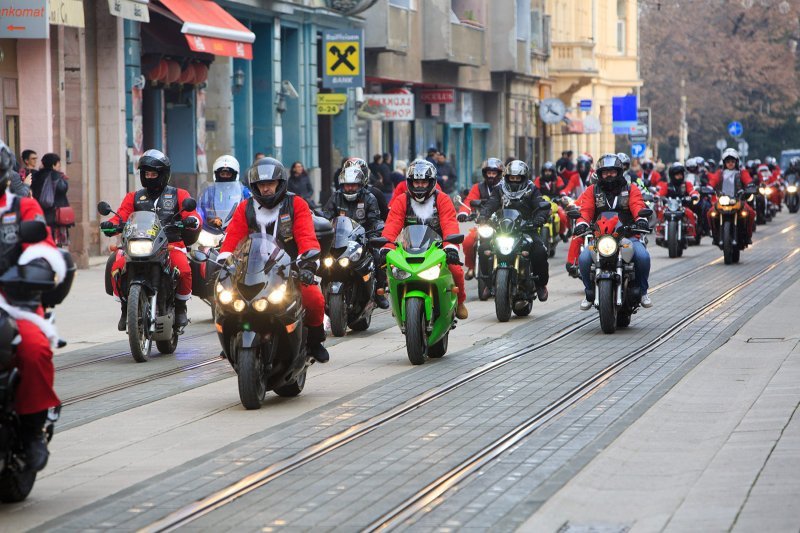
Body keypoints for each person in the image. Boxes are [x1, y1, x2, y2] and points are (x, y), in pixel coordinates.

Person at [218, 157, 329, 363]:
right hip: (250, 269)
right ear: (254, 186)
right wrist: (223, 263)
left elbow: (306, 236)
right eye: (261, 185)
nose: (266, 189)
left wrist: (309, 263)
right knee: (224, 300)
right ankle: (231, 338)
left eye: (270, 184)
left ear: (280, 183)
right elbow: (233, 238)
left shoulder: (296, 204)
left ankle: (315, 341)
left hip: (288, 269)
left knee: (314, 298)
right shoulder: (245, 208)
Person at [0, 139, 68, 471]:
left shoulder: (20, 207)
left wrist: (36, 265)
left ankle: (31, 431)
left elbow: (43, 245)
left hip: (12, 301)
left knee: (33, 346)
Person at [100, 149, 201, 329]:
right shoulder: (134, 196)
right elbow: (121, 216)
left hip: (171, 244)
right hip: (139, 243)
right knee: (116, 267)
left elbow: (192, 214)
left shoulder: (180, 194)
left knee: (184, 270)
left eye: (154, 173)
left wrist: (192, 220)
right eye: (147, 173)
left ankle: (180, 307)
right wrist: (111, 224)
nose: (150, 176)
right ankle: (125, 308)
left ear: (163, 174)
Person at [380, 159, 468, 319]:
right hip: (408, 248)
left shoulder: (442, 199)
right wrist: (386, 245)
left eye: (423, 182)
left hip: (439, 247)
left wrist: (451, 247)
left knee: (455, 269)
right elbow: (392, 224)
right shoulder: (401, 200)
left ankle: (460, 301)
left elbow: (449, 223)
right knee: (390, 270)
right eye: (416, 182)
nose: (420, 185)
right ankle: (397, 300)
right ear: (409, 182)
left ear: (431, 182)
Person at [574, 154, 652, 310]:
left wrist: (641, 219)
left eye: (612, 171)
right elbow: (586, 210)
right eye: (605, 172)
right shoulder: (592, 190)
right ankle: (589, 292)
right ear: (600, 173)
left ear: (619, 172)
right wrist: (581, 223)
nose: (609, 175)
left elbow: (638, 205)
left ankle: (643, 292)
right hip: (600, 238)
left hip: (627, 237)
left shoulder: (631, 189)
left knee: (643, 256)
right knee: (583, 259)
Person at [480, 160, 550, 302]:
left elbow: (540, 204)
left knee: (539, 251)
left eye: (518, 178)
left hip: (526, 229)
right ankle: (487, 283)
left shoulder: (531, 189)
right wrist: (483, 216)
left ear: (524, 178)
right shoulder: (500, 188)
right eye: (512, 178)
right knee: (483, 248)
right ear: (507, 177)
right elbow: (491, 203)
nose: (514, 181)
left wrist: (540, 218)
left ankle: (540, 284)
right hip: (503, 228)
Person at [322, 166, 389, 309]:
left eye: (354, 185)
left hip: (362, 239)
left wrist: (376, 232)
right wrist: (321, 225)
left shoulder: (369, 198)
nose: (350, 188)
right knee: (321, 261)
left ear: (361, 184)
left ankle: (379, 292)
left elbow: (375, 220)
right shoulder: (335, 197)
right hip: (339, 239)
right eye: (347, 185)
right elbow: (326, 216)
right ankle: (321, 293)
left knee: (378, 257)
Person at [458, 158, 504, 281]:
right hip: (484, 223)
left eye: (494, 173)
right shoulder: (478, 187)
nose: (491, 176)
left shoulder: (505, 187)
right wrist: (463, 212)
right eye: (489, 173)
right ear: (484, 174)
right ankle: (472, 267)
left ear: (499, 174)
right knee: (468, 242)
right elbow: (469, 201)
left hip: (502, 224)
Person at [707, 148, 755, 244]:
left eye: (732, 161)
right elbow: (712, 182)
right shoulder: (719, 173)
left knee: (751, 213)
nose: (730, 163)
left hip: (738, 200)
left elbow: (748, 180)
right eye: (728, 161)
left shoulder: (742, 172)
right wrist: (708, 188)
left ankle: (748, 235)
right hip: (722, 199)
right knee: (710, 213)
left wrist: (750, 186)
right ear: (724, 162)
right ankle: (714, 233)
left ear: (736, 162)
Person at [198, 155, 250, 231]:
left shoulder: (243, 191)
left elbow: (251, 206)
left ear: (235, 175)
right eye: (222, 174)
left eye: (228, 174)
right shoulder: (209, 191)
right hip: (213, 228)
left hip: (236, 228)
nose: (225, 176)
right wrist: (211, 218)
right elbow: (202, 207)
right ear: (216, 174)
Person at [30, 153, 71, 246]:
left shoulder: (36, 175)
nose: (59, 166)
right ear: (54, 164)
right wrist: (63, 179)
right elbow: (62, 189)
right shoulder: (56, 176)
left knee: (43, 240)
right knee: (56, 242)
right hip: (55, 214)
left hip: (40, 212)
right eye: (58, 164)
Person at [656, 162, 699, 229]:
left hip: (683, 207)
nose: (680, 176)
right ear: (672, 175)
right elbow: (660, 193)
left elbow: (692, 191)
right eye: (677, 174)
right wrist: (656, 196)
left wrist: (694, 195)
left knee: (690, 214)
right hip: (669, 208)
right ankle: (659, 232)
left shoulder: (687, 184)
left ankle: (691, 233)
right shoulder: (667, 185)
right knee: (661, 213)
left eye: (681, 174)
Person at [533, 161, 569, 241]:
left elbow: (562, 190)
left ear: (553, 172)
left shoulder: (558, 179)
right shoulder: (538, 179)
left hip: (555, 202)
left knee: (562, 216)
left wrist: (562, 196)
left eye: (549, 171)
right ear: (543, 172)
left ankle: (561, 233)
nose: (547, 173)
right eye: (546, 171)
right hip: (541, 203)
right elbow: (534, 191)